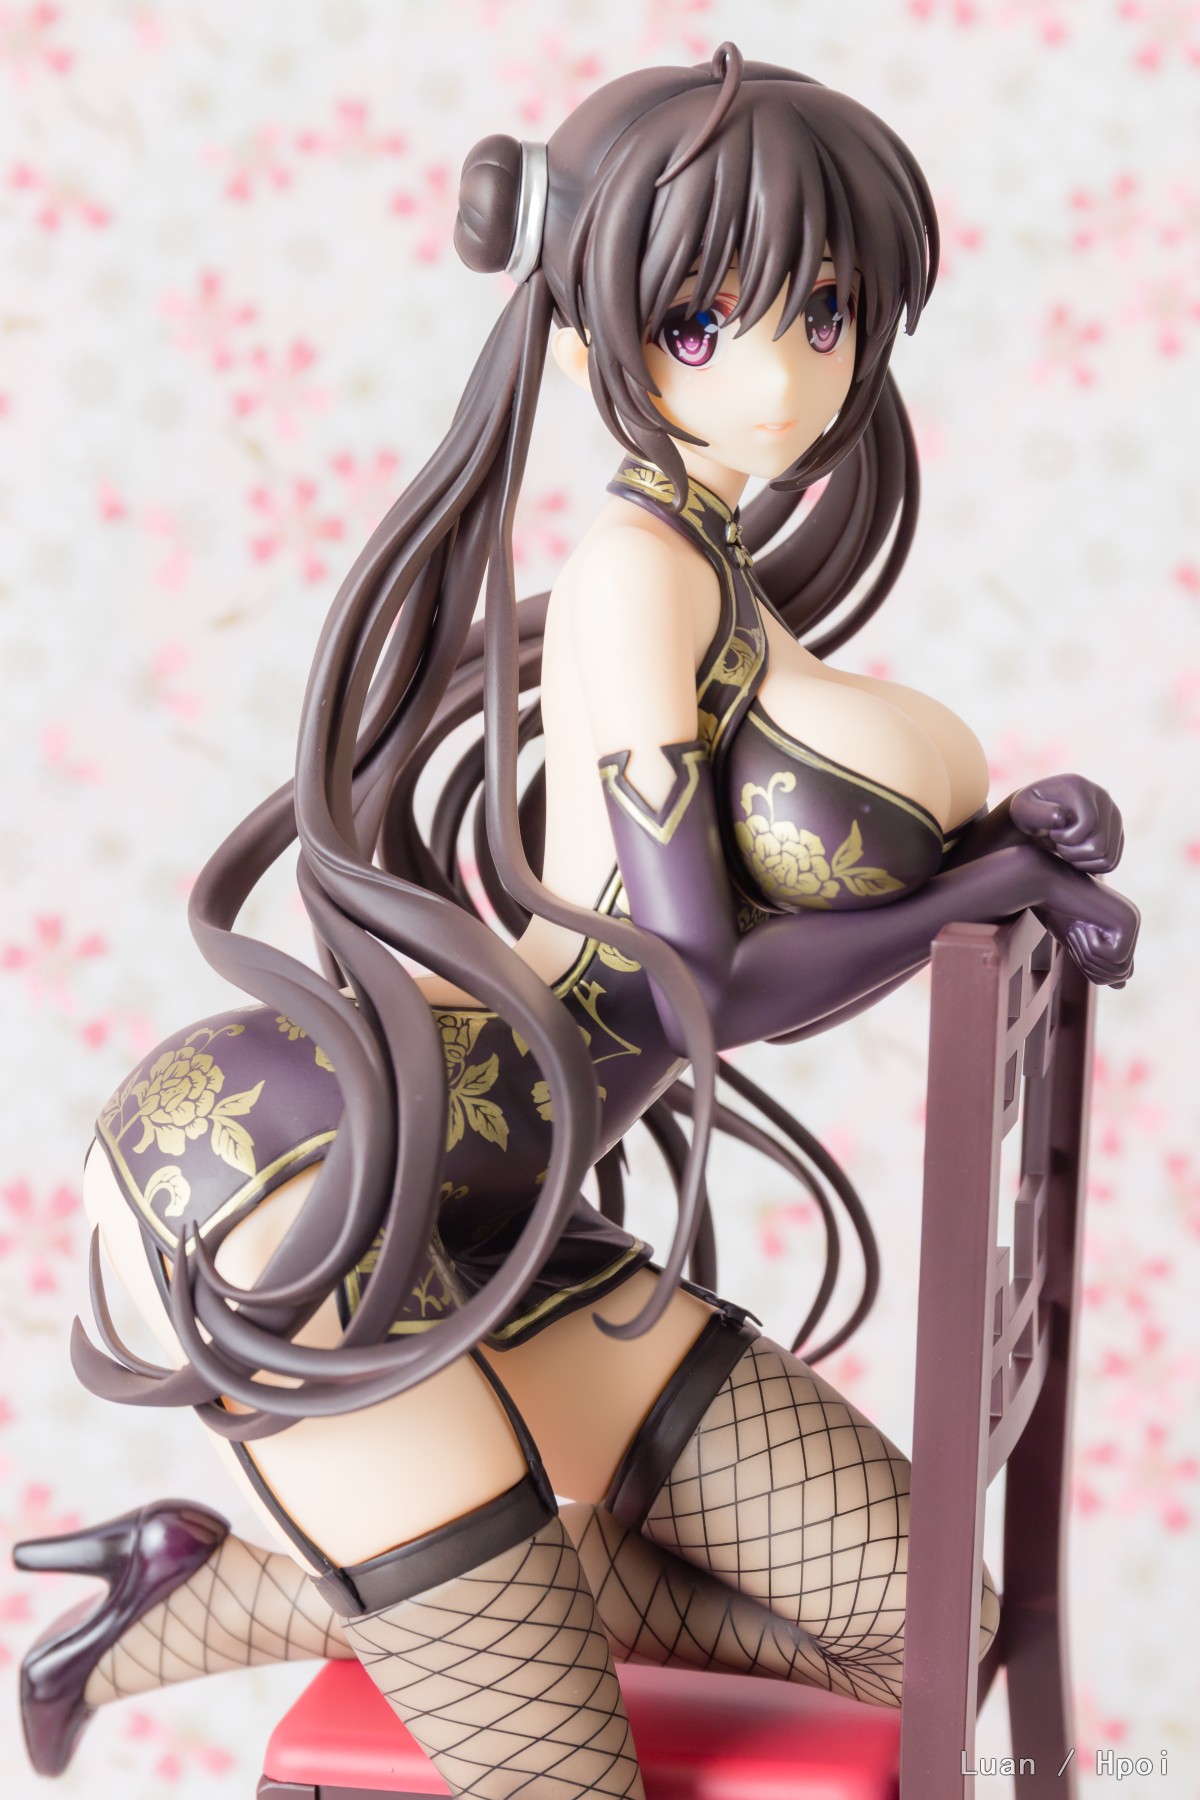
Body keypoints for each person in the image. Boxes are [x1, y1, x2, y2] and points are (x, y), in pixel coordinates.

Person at [15, 46, 1136, 1800]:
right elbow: (688, 977)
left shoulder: (714, 569)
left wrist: (990, 853)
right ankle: (396, 1583)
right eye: (703, 324)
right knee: (566, 1780)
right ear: (583, 330)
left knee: (927, 1619)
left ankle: (190, 1591)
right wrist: (986, 885)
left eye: (825, 312)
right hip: (305, 1205)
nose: (783, 374)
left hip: (500, 1204)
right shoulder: (634, 581)